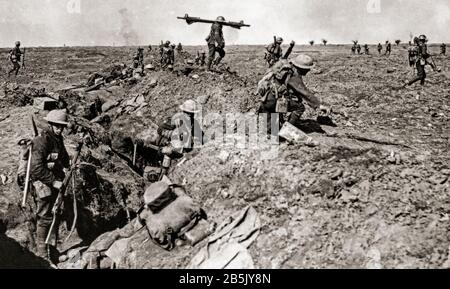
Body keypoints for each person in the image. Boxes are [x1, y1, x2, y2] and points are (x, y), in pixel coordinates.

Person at [29, 110, 70, 260]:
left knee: (55, 215)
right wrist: (53, 181)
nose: (60, 129)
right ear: (51, 125)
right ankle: (42, 256)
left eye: (62, 126)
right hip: (43, 182)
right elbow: (36, 168)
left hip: (56, 182)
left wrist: (70, 161)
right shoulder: (42, 140)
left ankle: (52, 251)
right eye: (57, 126)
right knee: (45, 217)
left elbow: (64, 159)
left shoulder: (58, 139)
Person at [258, 54, 330, 134]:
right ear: (302, 68)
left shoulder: (285, 68)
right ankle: (286, 131)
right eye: (307, 69)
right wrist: (319, 105)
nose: (308, 71)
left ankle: (270, 128)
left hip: (266, 99)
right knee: (300, 107)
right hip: (274, 102)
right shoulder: (293, 75)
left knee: (271, 129)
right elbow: (305, 92)